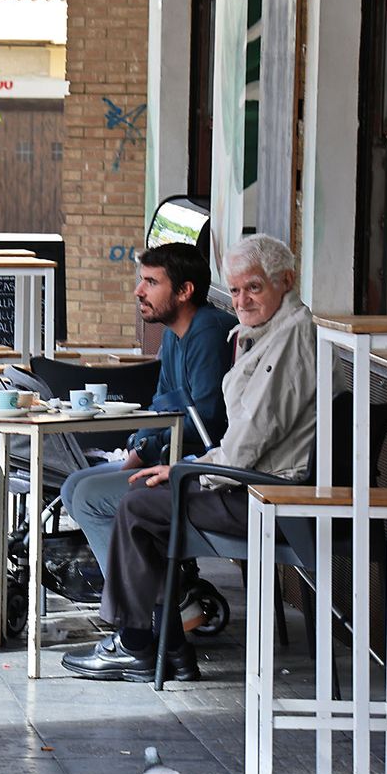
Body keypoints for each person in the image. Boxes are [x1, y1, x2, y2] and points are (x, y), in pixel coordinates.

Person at [61, 234, 316, 683]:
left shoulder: (290, 338)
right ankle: (166, 645)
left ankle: (140, 642)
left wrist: (185, 471)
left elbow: (247, 438)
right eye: (235, 290)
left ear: (286, 281)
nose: (242, 300)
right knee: (140, 497)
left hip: (266, 492)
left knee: (138, 502)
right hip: (248, 480)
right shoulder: (264, 333)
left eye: (253, 288)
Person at [58, 242, 236, 589]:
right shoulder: (173, 335)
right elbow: (161, 407)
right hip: (175, 458)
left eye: (151, 282)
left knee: (88, 496)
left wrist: (144, 451)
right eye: (141, 280)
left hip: (209, 472)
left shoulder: (209, 333)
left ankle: (144, 609)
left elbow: (208, 423)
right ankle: (160, 590)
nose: (139, 291)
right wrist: (138, 446)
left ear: (185, 291)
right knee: (73, 485)